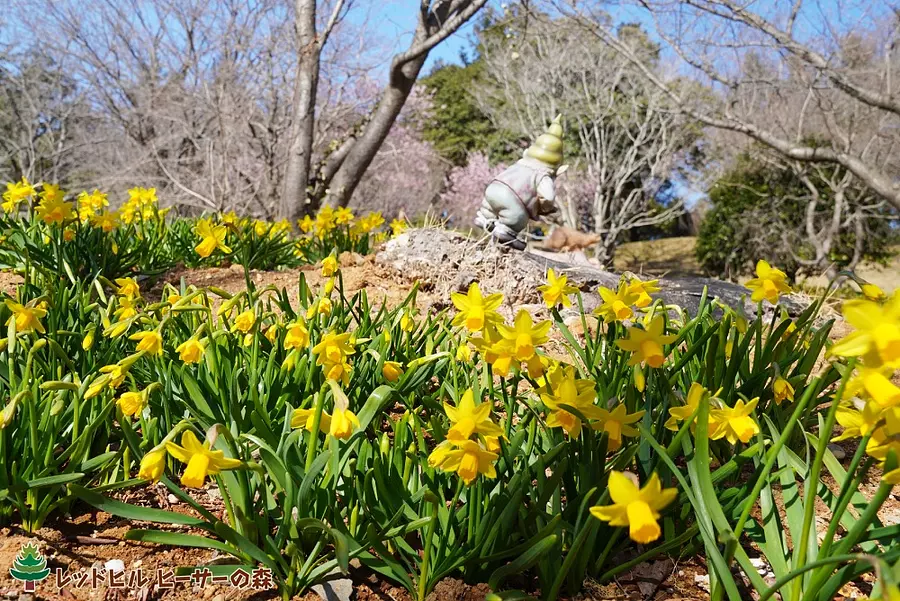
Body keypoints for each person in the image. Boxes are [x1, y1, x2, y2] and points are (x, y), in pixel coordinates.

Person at [475, 115, 565, 250]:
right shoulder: (543, 175)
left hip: (493, 188)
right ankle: (506, 231)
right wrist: (546, 206)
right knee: (518, 216)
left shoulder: (520, 164)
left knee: (490, 207)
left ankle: (485, 217)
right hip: (511, 200)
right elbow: (549, 196)